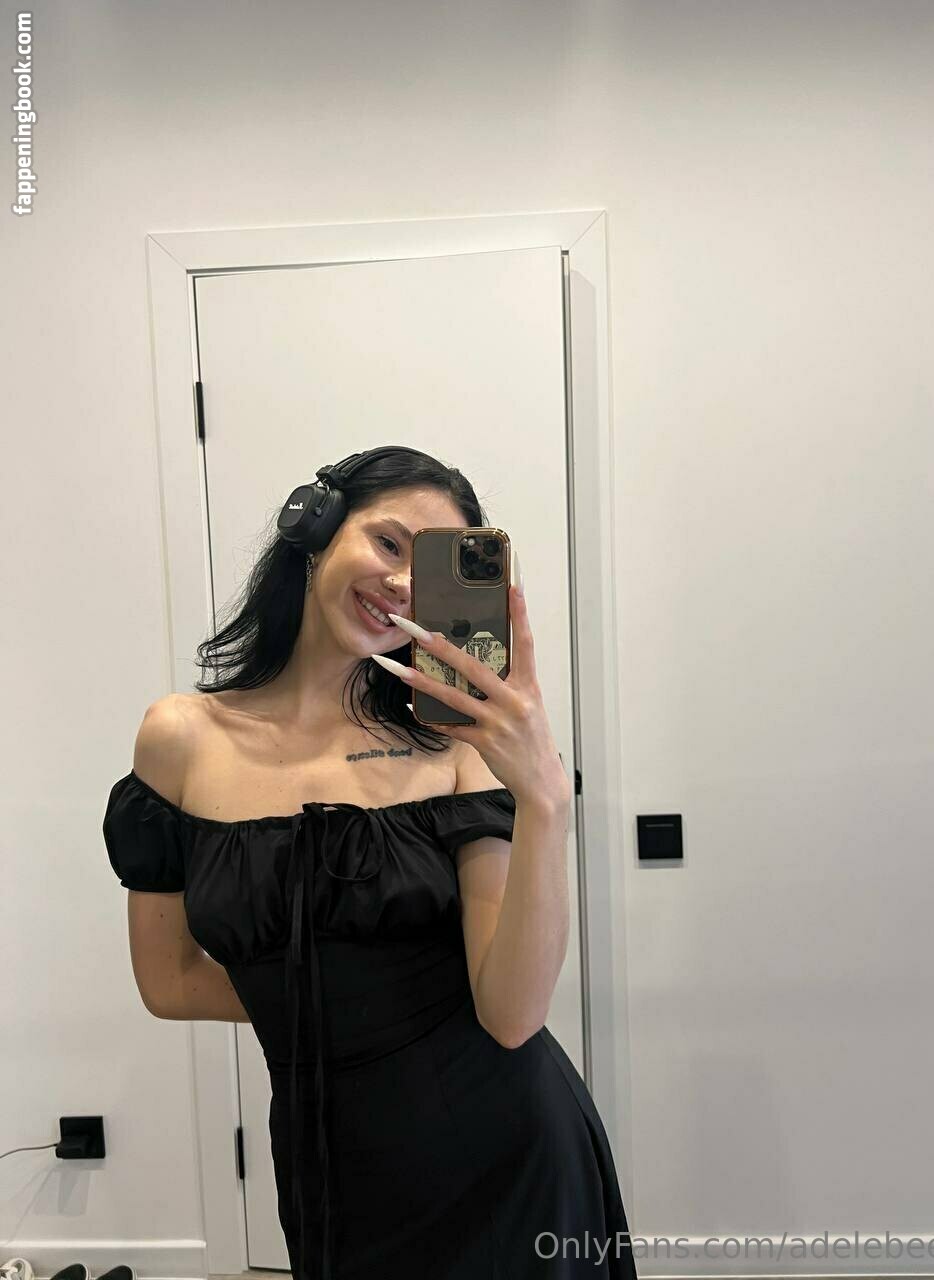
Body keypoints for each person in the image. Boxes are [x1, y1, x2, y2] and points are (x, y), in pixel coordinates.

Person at [103, 447, 636, 1278]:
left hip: (506, 1156)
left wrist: (544, 800)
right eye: (389, 544)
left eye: (434, 571)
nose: (404, 585)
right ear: (315, 531)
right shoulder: (181, 739)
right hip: (332, 1164)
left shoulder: (457, 751)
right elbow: (169, 982)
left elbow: (511, 1014)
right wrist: (340, 1014)